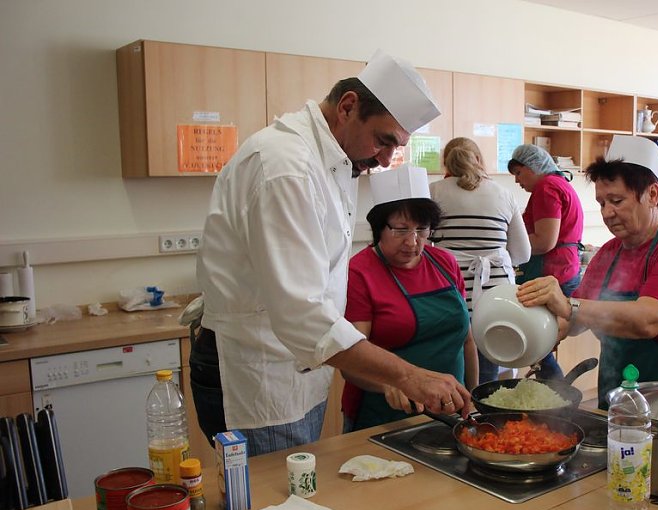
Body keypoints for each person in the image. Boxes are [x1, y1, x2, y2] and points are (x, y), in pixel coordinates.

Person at [191, 50, 471, 456]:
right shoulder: (285, 166)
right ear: (348, 107)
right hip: (258, 376)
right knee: (274, 493)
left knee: (297, 485)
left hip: (296, 372)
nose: (385, 159)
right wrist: (407, 376)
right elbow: (302, 312)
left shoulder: (334, 163)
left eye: (396, 147)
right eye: (383, 140)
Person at [517, 136, 658, 409]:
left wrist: (568, 305)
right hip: (619, 391)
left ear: (652, 195)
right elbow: (574, 319)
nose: (607, 213)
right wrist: (539, 335)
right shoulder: (609, 253)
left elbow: (648, 320)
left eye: (616, 200)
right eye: (602, 203)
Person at [342, 165, 477, 431]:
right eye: (401, 230)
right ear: (379, 228)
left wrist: (473, 398)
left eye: (422, 229)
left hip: (452, 411)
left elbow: (467, 340)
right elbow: (350, 362)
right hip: (385, 416)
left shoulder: (445, 263)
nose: (413, 242)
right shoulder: (360, 272)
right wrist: (391, 383)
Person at [429, 137, 530, 384]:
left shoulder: (433, 192)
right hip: (494, 297)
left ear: (446, 163)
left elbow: (421, 245)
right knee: (487, 376)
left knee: (451, 372)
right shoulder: (504, 194)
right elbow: (522, 253)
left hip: (451, 292)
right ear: (479, 160)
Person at [507, 144, 584, 379]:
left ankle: (557, 392)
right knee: (542, 345)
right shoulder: (559, 184)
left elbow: (544, 241)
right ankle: (554, 390)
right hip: (565, 268)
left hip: (553, 272)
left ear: (532, 166)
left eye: (519, 173)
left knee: (538, 343)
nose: (517, 181)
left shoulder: (546, 187)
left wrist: (507, 247)